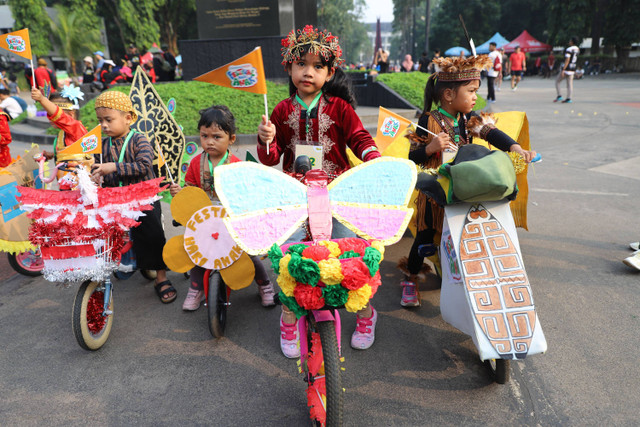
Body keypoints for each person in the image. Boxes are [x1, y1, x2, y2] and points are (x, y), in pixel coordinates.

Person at [257, 25, 381, 357]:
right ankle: (288, 316)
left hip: (337, 195)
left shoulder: (340, 108)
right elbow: (269, 158)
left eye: (317, 66)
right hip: (295, 198)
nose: (307, 72)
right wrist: (266, 139)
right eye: (301, 64)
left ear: (329, 73)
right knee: (285, 257)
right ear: (290, 68)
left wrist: (375, 160)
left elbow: (360, 139)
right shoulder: (281, 111)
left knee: (352, 258)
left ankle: (365, 314)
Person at [398, 55, 536, 307]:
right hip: (434, 191)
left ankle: (462, 278)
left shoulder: (468, 118)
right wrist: (430, 148)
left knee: (465, 234)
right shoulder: (428, 119)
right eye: (471, 91)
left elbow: (491, 133)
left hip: (463, 188)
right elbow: (413, 157)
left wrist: (515, 147)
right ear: (449, 95)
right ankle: (410, 279)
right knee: (426, 237)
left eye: (476, 91)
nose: (475, 97)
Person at [168, 105, 276, 310]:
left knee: (247, 255)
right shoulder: (194, 164)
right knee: (197, 255)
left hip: (230, 221)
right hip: (203, 222)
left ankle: (264, 284)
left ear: (231, 139)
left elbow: (244, 195)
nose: (209, 141)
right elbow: (190, 190)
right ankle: (195, 288)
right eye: (204, 135)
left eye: (217, 136)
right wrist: (180, 193)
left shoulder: (236, 164)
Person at [90, 90, 176, 303]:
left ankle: (161, 278)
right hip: (115, 200)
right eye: (100, 120)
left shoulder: (139, 140)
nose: (104, 125)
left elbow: (144, 165)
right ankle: (119, 265)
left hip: (142, 200)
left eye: (109, 119)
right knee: (106, 235)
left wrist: (114, 167)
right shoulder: (103, 144)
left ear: (128, 118)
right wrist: (95, 174)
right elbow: (98, 167)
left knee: (153, 235)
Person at [31, 86, 87, 160]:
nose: (51, 117)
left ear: (70, 114)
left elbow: (60, 116)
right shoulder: (63, 132)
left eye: (51, 113)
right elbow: (69, 152)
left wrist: (42, 99)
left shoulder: (77, 128)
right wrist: (53, 154)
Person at [554, 37, 580, 104]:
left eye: (570, 41)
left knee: (557, 81)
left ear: (572, 42)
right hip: (573, 67)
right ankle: (569, 98)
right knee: (570, 84)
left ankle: (559, 95)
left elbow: (567, 60)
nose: (569, 42)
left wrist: (563, 69)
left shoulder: (569, 49)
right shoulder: (577, 49)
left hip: (567, 68)